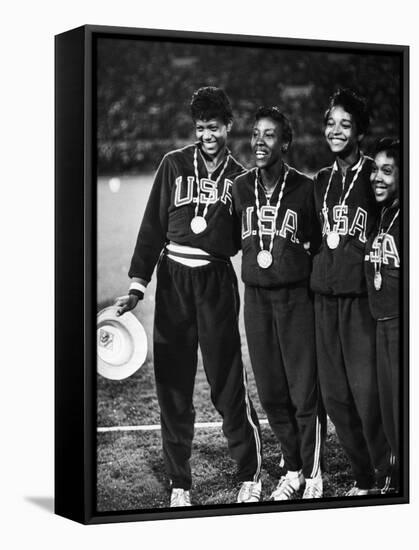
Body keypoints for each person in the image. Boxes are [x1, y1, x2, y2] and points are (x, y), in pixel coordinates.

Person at [115, 86, 262, 507]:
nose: (206, 136)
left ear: (229, 127)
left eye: (213, 128)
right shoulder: (173, 164)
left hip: (215, 281)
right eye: (200, 128)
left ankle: (249, 473)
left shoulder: (240, 178)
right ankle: (180, 482)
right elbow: (151, 227)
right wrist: (137, 285)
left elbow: (245, 241)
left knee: (227, 381)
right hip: (175, 278)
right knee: (173, 384)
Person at [232, 107, 324, 500]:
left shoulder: (305, 189)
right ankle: (293, 468)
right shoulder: (239, 188)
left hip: (295, 299)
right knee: (271, 392)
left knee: (303, 390)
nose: (259, 142)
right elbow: (230, 242)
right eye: (255, 134)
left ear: (284, 143)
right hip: (256, 301)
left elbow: (320, 244)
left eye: (269, 135)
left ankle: (315, 473)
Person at [310, 88, 391, 496]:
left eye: (345, 125)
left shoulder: (372, 178)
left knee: (367, 395)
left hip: (360, 302)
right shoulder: (321, 180)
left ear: (358, 132)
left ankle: (387, 474)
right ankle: (363, 479)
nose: (336, 131)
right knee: (336, 397)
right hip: (323, 301)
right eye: (330, 124)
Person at [364, 138, 401, 493]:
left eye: (387, 171)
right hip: (381, 326)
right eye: (375, 169)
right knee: (390, 414)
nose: (377, 177)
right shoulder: (382, 216)